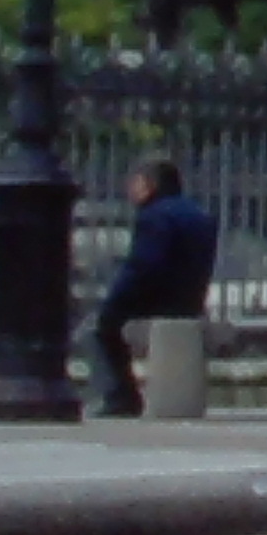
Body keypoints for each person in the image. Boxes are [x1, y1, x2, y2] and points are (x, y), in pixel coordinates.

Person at [93, 158, 218, 417]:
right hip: (190, 301)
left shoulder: (154, 216)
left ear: (150, 185)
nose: (131, 190)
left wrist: (114, 300)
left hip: (159, 302)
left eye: (136, 183)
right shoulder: (199, 214)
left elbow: (143, 267)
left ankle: (121, 397)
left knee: (99, 329)